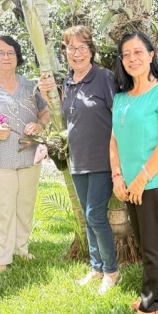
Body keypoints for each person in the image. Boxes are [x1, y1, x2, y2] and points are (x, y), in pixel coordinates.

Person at [37, 26, 120, 294]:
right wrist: (46, 94)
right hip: (78, 160)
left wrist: (118, 159)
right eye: (71, 48)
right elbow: (63, 120)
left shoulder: (104, 77)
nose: (77, 53)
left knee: (95, 215)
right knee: (87, 216)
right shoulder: (68, 83)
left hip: (103, 160)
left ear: (91, 50)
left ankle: (111, 271)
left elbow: (119, 117)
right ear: (65, 52)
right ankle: (96, 267)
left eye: (82, 47)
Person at [111, 31, 158, 314]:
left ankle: (149, 305)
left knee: (153, 245)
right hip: (128, 183)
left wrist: (142, 178)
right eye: (126, 54)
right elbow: (114, 140)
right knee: (143, 240)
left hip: (152, 181)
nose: (132, 58)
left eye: (138, 52)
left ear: (151, 55)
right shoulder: (120, 97)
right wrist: (117, 176)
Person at [0, 35, 50, 273]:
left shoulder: (29, 85)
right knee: (2, 209)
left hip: (29, 157)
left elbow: (45, 113)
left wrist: (39, 125)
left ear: (17, 56)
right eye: (0, 53)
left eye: (10, 52)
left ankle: (21, 249)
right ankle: (1, 258)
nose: (6, 57)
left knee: (25, 206)